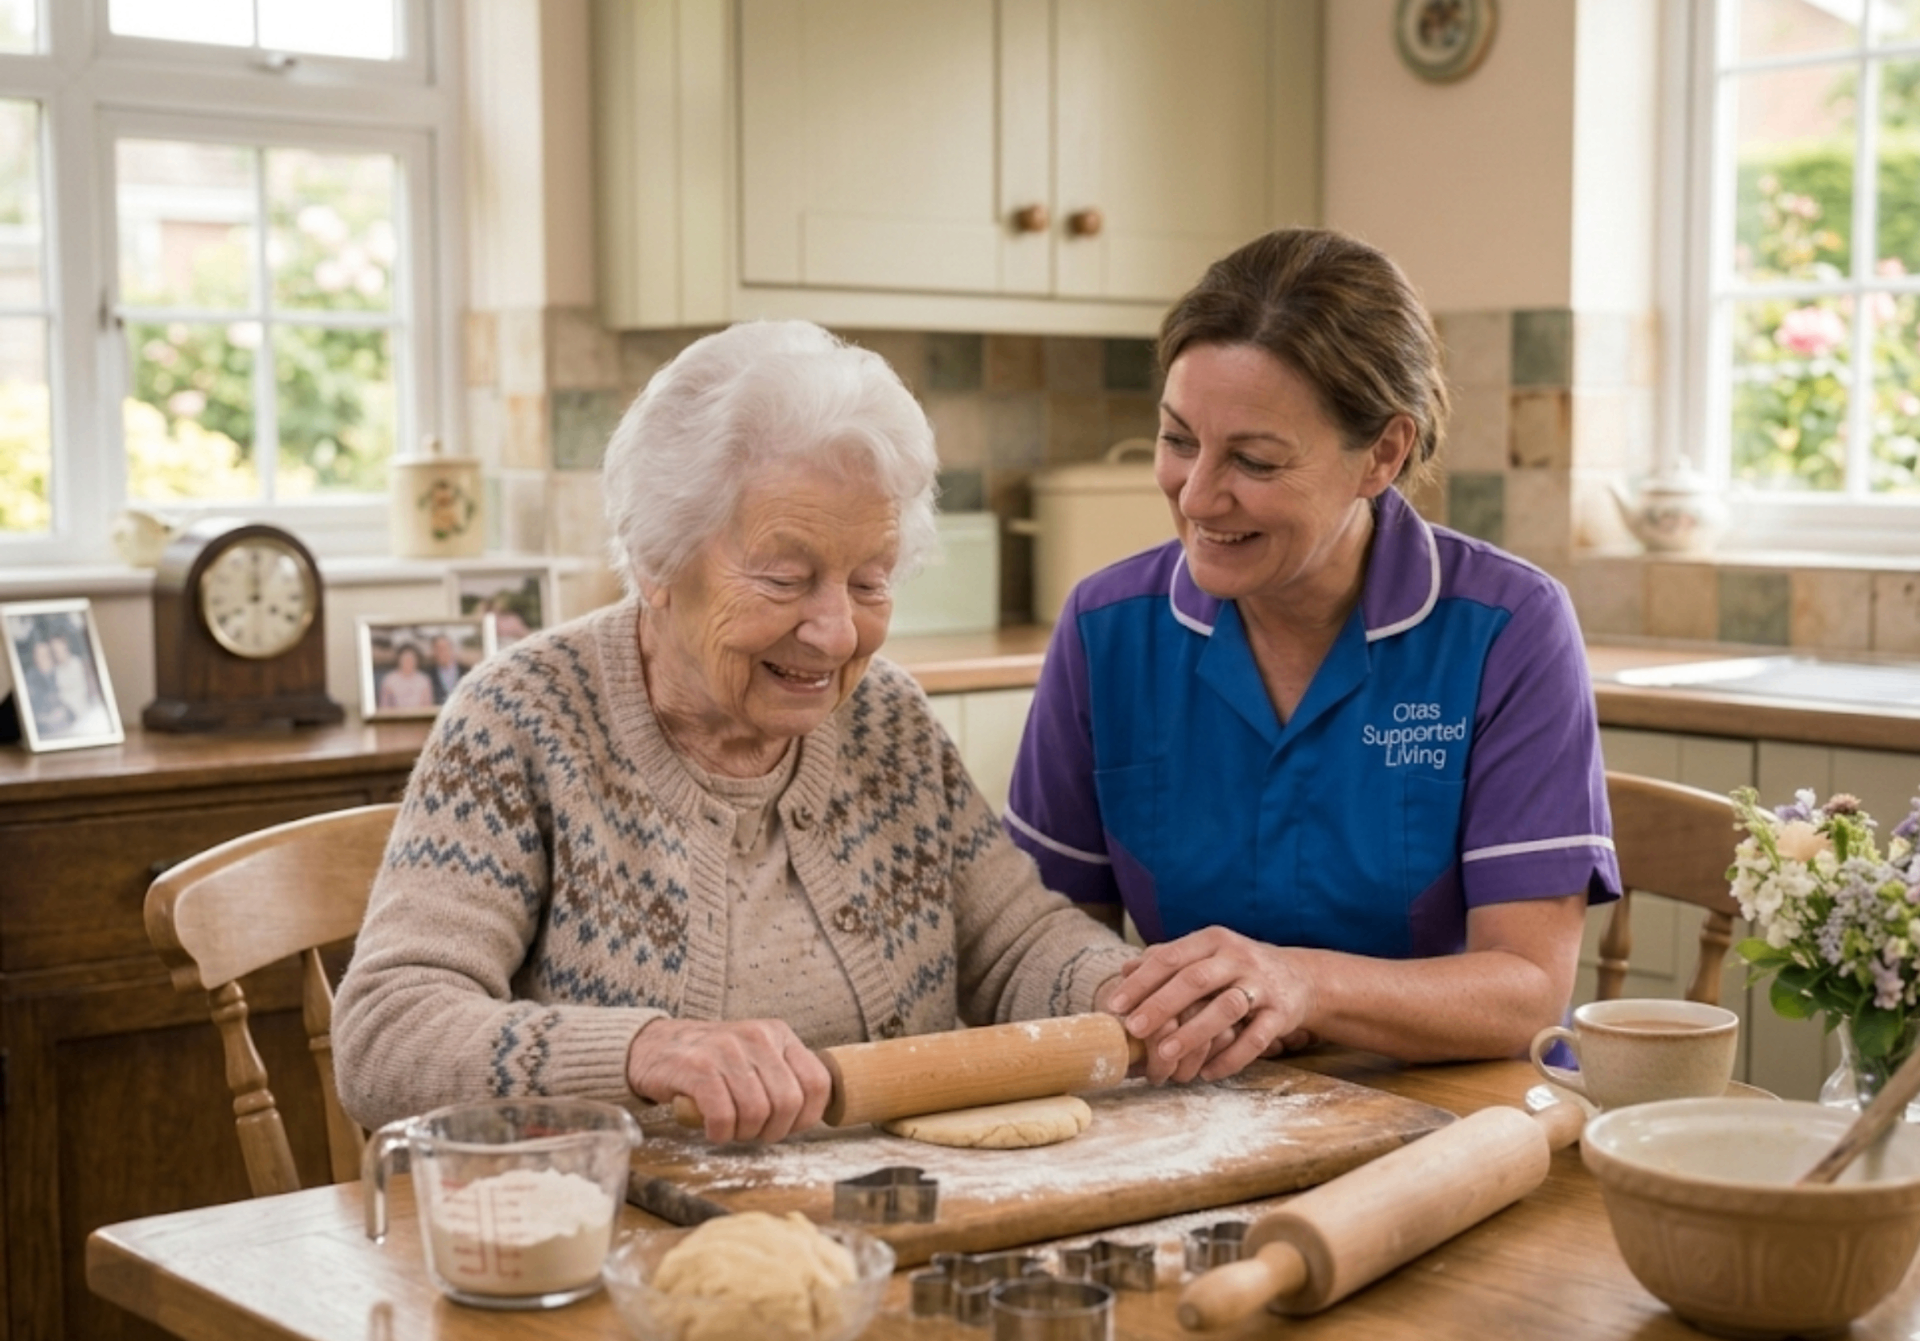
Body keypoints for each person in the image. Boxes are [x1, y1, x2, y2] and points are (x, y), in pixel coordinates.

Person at [333, 320, 1142, 1143]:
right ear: (656, 559)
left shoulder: (885, 718)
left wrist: (1129, 990)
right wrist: (644, 1049)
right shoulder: (523, 720)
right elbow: (388, 1034)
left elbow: (1017, 945)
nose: (834, 633)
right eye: (786, 579)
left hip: (895, 1219)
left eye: (869, 581)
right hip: (630, 1236)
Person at [1004, 228, 1621, 1085]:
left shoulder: (1508, 628)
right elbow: (1039, 934)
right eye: (1179, 439)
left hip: (1444, 1113)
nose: (1197, 494)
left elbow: (1526, 990)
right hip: (1191, 1100)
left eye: (1253, 459)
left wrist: (1302, 983)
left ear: (1383, 453)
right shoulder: (1105, 627)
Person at [376, 643, 437, 711]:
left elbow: (428, 707)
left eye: (411, 659)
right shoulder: (389, 680)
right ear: (399, 659)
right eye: (405, 659)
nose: (408, 662)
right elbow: (383, 707)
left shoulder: (424, 680)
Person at [427, 633, 464, 702]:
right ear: (434, 652)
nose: (443, 652)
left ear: (452, 649)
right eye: (438, 648)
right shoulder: (428, 675)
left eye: (445, 647)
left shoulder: (466, 671)